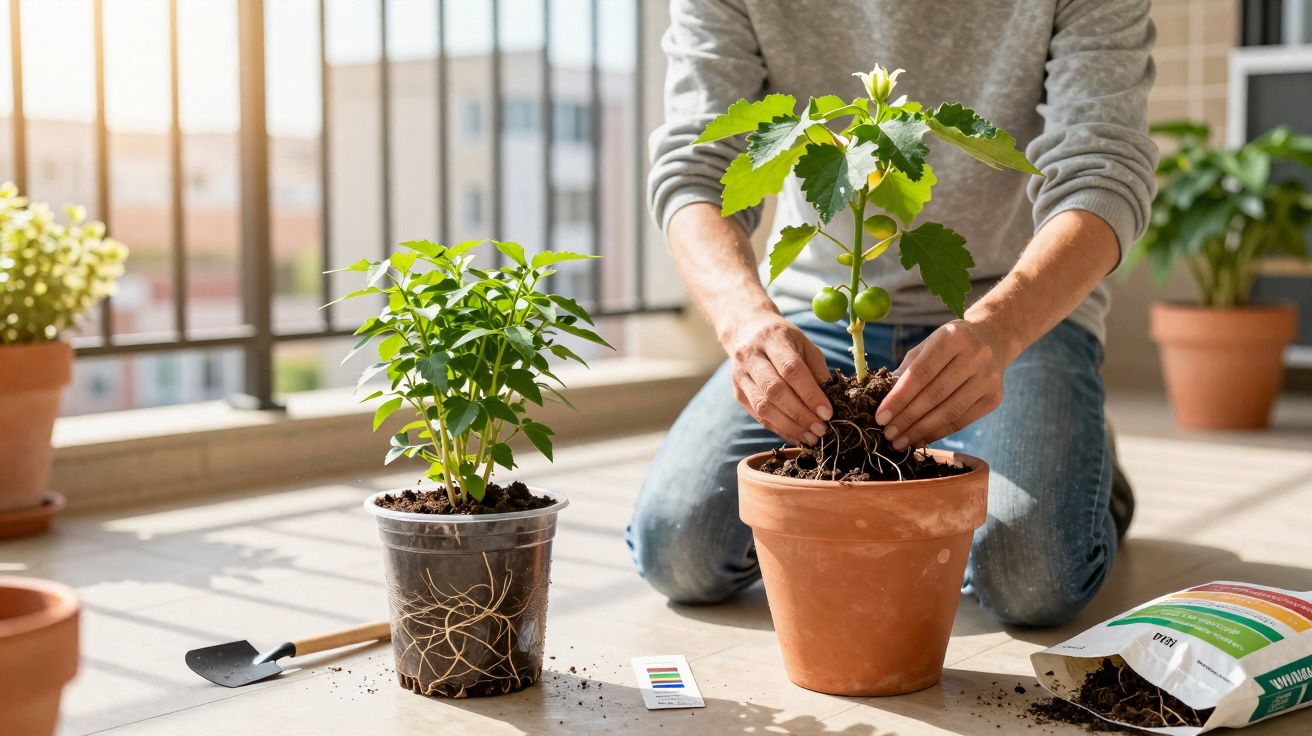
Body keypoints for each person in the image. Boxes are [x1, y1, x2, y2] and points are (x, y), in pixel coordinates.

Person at [627, 0, 1157, 627]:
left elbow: (1104, 169)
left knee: (1030, 575)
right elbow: (695, 167)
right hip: (821, 313)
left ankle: (1086, 463)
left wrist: (1001, 330)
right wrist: (744, 320)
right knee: (679, 551)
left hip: (1014, 317)